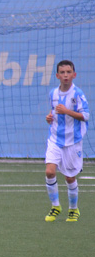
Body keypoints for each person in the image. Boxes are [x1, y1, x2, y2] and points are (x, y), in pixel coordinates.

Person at [44, 60, 90, 222]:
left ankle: (73, 209)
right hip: (55, 139)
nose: (65, 75)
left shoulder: (78, 94)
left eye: (68, 72)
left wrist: (67, 111)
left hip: (72, 141)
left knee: (70, 177)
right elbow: (54, 112)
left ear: (74, 75)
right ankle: (55, 206)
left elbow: (85, 116)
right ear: (57, 75)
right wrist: (50, 118)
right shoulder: (53, 94)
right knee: (50, 172)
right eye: (62, 72)